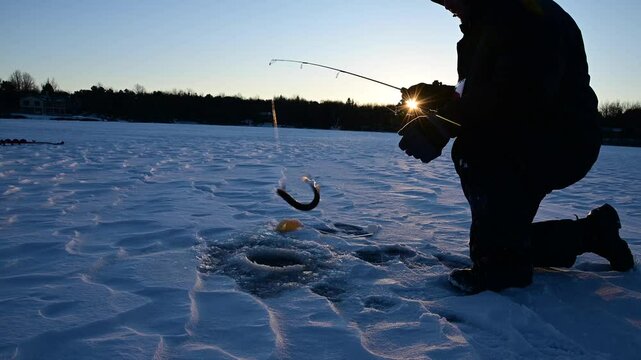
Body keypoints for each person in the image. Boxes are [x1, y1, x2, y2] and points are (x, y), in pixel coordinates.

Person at [398, 0, 634, 293]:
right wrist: (439, 96)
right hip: (530, 136)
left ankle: (503, 267)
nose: (445, 5)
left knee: (475, 150)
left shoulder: (526, 15)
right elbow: (481, 90)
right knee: (504, 239)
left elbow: (519, 95)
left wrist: (442, 124)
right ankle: (590, 234)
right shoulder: (486, 25)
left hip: (558, 140)